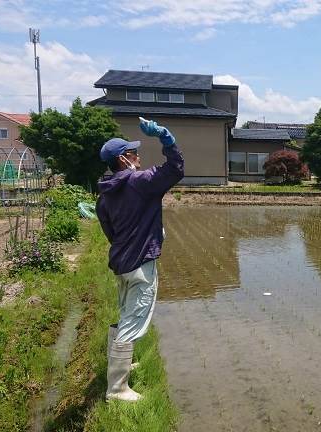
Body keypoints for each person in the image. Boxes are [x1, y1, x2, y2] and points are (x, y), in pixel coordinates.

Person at [96, 118, 184, 402]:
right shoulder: (140, 182)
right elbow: (175, 169)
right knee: (134, 319)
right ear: (124, 159)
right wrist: (166, 139)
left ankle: (123, 363)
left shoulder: (105, 193)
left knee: (125, 314)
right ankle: (117, 388)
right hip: (141, 264)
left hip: (121, 262)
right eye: (134, 153)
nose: (138, 156)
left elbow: (109, 230)